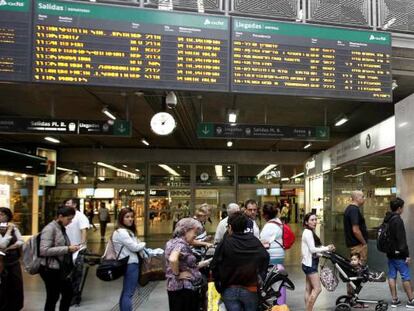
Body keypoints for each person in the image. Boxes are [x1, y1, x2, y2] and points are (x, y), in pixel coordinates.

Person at [211, 212, 269, 311]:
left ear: (229, 227)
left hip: (229, 289)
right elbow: (265, 257)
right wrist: (261, 277)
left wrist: (219, 285)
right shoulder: (254, 241)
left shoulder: (225, 243)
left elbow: (214, 265)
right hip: (251, 289)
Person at [39, 206, 81, 311]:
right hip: (50, 269)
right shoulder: (50, 228)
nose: (70, 222)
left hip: (59, 268)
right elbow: (44, 250)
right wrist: (67, 249)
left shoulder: (60, 227)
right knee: (53, 296)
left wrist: (70, 248)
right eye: (69, 219)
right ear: (60, 216)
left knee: (67, 293)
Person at [165, 218, 210, 311]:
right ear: (186, 230)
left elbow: (186, 265)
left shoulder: (173, 241)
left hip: (177, 289)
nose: (195, 235)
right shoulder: (180, 244)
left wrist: (205, 262)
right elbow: (173, 259)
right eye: (194, 232)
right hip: (183, 290)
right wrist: (177, 275)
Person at [112, 208, 146, 311]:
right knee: (129, 293)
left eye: (132, 216)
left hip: (128, 263)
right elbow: (135, 247)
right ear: (121, 218)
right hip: (130, 264)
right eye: (127, 217)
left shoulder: (125, 231)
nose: (130, 219)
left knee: (126, 292)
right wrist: (143, 243)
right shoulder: (122, 232)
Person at [383, 197, 414, 308]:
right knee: (405, 276)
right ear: (399, 208)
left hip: (390, 253)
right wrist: (406, 255)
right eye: (403, 207)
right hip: (399, 254)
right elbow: (401, 240)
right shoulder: (398, 220)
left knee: (392, 275)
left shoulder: (387, 218)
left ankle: (394, 300)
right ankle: (411, 300)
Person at [302, 212, 335, 311]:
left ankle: (308, 309)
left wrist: (326, 249)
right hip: (310, 264)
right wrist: (326, 248)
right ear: (306, 222)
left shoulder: (309, 232)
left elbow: (312, 250)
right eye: (312, 220)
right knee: (317, 289)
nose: (315, 222)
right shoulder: (308, 233)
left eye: (315, 219)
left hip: (308, 263)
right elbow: (312, 249)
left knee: (309, 289)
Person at [64, 198, 90, 306]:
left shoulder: (80, 216)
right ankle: (68, 295)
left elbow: (84, 230)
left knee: (77, 274)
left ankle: (75, 296)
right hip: (66, 249)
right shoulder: (65, 216)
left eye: (68, 203)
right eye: (65, 203)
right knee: (66, 273)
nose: (66, 205)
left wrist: (82, 246)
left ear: (74, 205)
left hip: (78, 250)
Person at [0, 207, 24, 311]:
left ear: (8, 216)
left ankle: (15, 306)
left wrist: (12, 247)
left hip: (13, 260)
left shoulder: (14, 227)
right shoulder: (10, 229)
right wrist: (8, 231)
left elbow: (21, 241)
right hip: (1, 262)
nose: (0, 217)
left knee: (16, 284)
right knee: (3, 285)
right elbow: (2, 244)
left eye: (2, 214)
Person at [343, 190, 368, 264]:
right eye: (363, 197)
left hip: (354, 245)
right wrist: (364, 243)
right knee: (359, 267)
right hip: (357, 246)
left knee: (354, 266)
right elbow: (355, 230)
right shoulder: (354, 210)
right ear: (357, 198)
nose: (364, 199)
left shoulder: (350, 209)